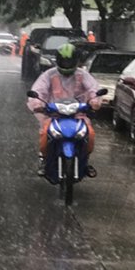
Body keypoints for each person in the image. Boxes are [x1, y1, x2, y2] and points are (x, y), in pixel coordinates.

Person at [26, 43, 101, 177]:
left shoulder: (82, 75)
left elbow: (93, 89)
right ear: (58, 60)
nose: (66, 64)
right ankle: (44, 159)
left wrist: (95, 101)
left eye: (69, 61)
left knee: (89, 134)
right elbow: (38, 90)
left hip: (78, 114)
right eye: (64, 61)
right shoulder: (49, 75)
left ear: (76, 61)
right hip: (53, 114)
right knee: (45, 135)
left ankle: (85, 161)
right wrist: (37, 103)